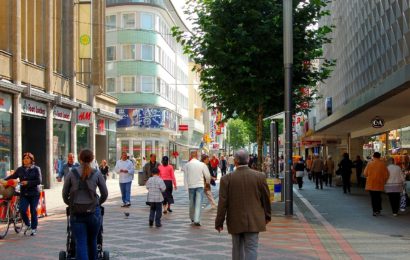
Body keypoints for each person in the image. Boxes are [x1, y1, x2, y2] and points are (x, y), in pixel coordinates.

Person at [215, 149, 271, 260]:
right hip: (254, 219)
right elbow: (266, 198)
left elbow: (222, 203)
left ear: (235, 161)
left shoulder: (226, 179)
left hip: (235, 219)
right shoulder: (260, 176)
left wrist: (219, 222)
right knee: (252, 248)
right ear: (248, 160)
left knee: (236, 248)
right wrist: (267, 215)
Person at [62, 149, 108, 260]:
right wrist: (97, 203)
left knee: (81, 241)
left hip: (76, 213)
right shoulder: (97, 173)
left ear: (79, 159)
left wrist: (71, 203)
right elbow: (105, 194)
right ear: (92, 159)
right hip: (93, 212)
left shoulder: (71, 173)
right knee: (92, 240)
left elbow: (64, 193)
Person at [3, 152, 42, 236]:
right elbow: (12, 176)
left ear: (31, 160)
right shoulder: (20, 169)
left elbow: (39, 181)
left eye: (27, 158)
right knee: (22, 209)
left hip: (34, 193)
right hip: (24, 193)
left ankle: (34, 228)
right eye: (24, 158)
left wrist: (28, 182)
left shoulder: (36, 169)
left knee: (33, 210)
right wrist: (3, 180)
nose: (25, 160)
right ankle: (28, 225)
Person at [183, 150, 211, 226]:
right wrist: (207, 183)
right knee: (199, 202)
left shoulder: (187, 165)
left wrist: (186, 188)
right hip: (200, 186)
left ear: (190, 156)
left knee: (191, 202)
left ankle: (192, 217)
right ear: (197, 156)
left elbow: (185, 177)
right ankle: (197, 219)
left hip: (191, 186)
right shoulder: (202, 164)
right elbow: (208, 176)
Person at [364, 152, 389, 216]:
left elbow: (365, 173)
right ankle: (378, 209)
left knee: (373, 197)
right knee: (378, 196)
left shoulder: (369, 163)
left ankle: (375, 210)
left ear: (373, 156)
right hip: (379, 183)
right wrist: (384, 180)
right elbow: (386, 175)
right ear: (379, 156)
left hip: (371, 184)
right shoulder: (383, 164)